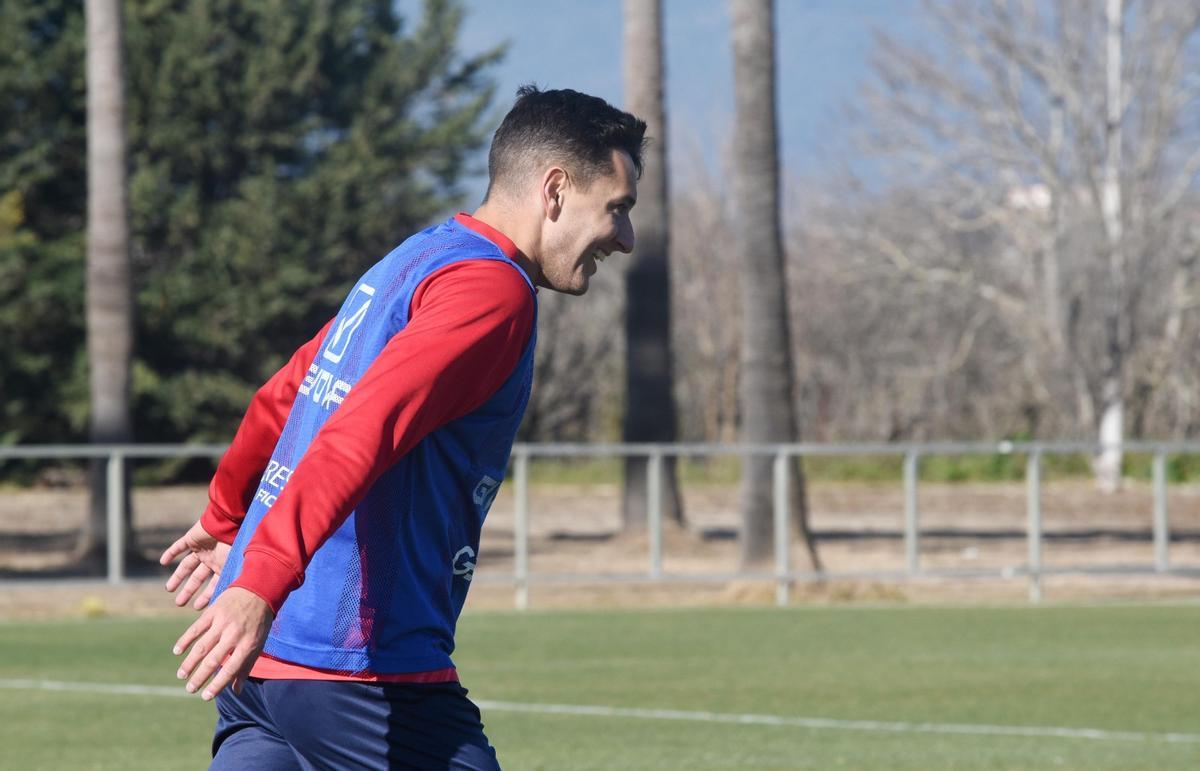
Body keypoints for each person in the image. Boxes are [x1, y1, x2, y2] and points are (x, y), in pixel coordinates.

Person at [159, 85, 645, 769]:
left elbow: (286, 393)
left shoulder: (415, 259)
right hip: (356, 670)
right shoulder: (492, 293)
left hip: (264, 674)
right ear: (556, 190)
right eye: (617, 209)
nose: (625, 238)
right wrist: (256, 580)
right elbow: (363, 428)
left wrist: (227, 522)